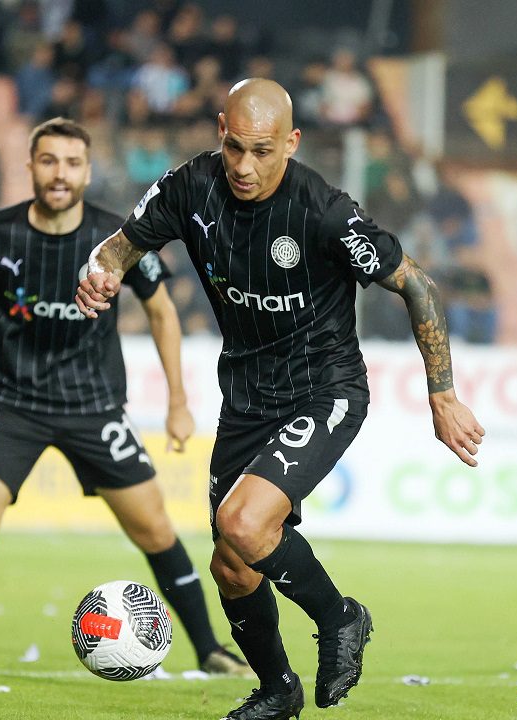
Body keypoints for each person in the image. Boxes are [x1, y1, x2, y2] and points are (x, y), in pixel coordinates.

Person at [74, 78, 484, 720]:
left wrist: (443, 394)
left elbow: (418, 287)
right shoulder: (189, 187)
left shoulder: (325, 213)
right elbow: (121, 247)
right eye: (235, 147)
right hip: (245, 398)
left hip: (323, 390)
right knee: (231, 566)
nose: (244, 165)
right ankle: (277, 690)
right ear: (220, 131)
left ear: (291, 142)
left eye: (262, 151)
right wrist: (99, 272)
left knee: (244, 524)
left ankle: (340, 617)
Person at [0, 117, 251, 679]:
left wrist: (177, 399)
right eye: (49, 161)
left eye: (72, 163)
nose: (60, 174)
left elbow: (162, 311)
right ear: (31, 166)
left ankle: (208, 648)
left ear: (88, 171)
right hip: (12, 406)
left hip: (94, 408)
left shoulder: (119, 238)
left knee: (156, 531)